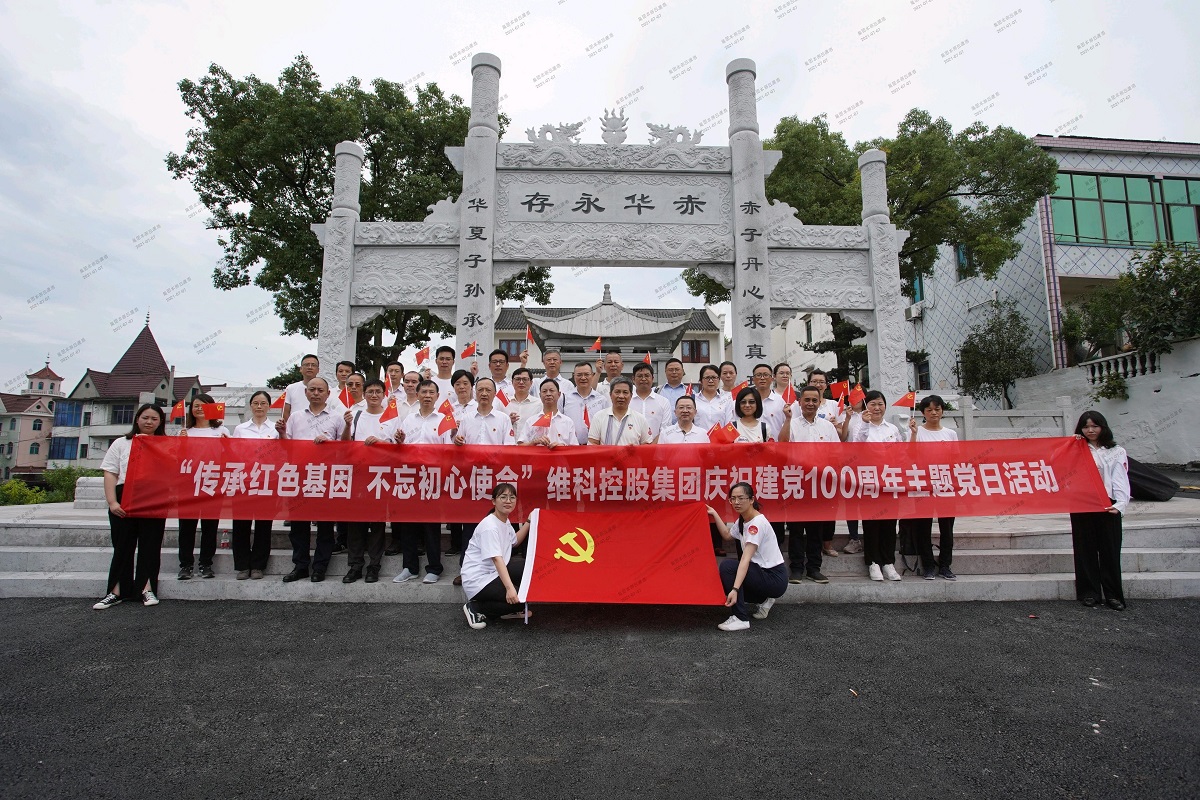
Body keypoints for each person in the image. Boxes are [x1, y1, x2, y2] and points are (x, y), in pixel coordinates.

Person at [93, 404, 169, 609]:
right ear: (137, 419)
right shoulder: (121, 443)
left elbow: (175, 469)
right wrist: (112, 502)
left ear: (160, 422)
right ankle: (116, 591)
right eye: (145, 417)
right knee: (123, 545)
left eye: (154, 418)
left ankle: (146, 588)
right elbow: (110, 472)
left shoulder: (166, 444)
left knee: (150, 545)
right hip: (124, 496)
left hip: (154, 497)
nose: (149, 422)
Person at [279, 377, 346, 583]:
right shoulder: (296, 417)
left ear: (328, 394)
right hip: (300, 475)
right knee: (299, 525)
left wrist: (330, 442)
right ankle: (300, 566)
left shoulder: (337, 418)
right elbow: (286, 446)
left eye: (320, 390)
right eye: (312, 389)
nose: (316, 393)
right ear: (306, 392)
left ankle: (320, 567)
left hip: (325, 476)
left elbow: (346, 448)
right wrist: (281, 433)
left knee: (325, 526)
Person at [452, 377, 516, 585]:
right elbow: (459, 447)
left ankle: (500, 570)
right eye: (480, 390)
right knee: (470, 525)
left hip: (495, 478)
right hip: (472, 480)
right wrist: (457, 441)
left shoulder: (503, 419)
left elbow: (510, 448)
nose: (484, 393)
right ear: (475, 392)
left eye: (488, 390)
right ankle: (466, 570)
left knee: (496, 524)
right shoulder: (466, 418)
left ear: (495, 393)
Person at [393, 379, 453, 584]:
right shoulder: (409, 419)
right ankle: (409, 567)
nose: (427, 396)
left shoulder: (444, 420)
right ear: (417, 394)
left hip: (433, 478)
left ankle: (434, 568)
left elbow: (448, 452)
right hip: (410, 477)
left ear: (437, 396)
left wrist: (443, 479)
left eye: (431, 392)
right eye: (424, 392)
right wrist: (399, 442)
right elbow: (400, 448)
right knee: (408, 525)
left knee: (431, 526)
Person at [705, 482, 788, 631]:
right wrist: (714, 513)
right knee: (727, 578)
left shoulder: (756, 524)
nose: (736, 502)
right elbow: (727, 535)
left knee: (728, 567)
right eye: (733, 499)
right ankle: (764, 599)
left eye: (741, 498)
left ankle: (741, 618)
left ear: (751, 500)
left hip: (774, 577)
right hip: (762, 573)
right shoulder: (743, 520)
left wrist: (735, 590)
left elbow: (745, 559)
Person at [1071, 411, 1130, 610]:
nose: (1090, 430)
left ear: (1103, 427)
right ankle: (1089, 593)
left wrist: (1120, 504)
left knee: (1110, 550)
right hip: (1082, 504)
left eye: (1094, 426)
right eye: (1086, 426)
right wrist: (1071, 444)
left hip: (1108, 504)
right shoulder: (1075, 448)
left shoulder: (1116, 450)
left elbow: (1120, 477)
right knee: (1084, 549)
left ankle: (1113, 595)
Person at [784, 386, 840, 586]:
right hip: (797, 483)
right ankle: (796, 568)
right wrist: (787, 420)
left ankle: (814, 568)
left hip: (819, 485)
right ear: (800, 402)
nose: (810, 403)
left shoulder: (827, 427)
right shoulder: (791, 424)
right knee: (796, 529)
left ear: (819, 402)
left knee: (816, 529)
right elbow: (782, 446)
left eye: (814, 400)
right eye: (806, 400)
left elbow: (836, 453)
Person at [341, 379, 393, 584]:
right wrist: (347, 425)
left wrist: (381, 443)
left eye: (378, 391)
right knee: (355, 523)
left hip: (380, 476)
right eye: (370, 391)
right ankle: (355, 565)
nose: (374, 395)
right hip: (358, 475)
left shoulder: (391, 417)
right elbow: (345, 444)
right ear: (364, 394)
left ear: (384, 394)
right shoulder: (355, 415)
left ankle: (374, 565)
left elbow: (397, 448)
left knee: (377, 524)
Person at [461, 483, 532, 629]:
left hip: (494, 572)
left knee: (527, 568)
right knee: (520, 599)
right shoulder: (489, 526)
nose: (508, 501)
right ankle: (477, 608)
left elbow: (514, 541)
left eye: (512, 497)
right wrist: (510, 588)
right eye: (503, 497)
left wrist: (529, 522)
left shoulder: (504, 521)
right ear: (494, 501)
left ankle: (506, 607)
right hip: (478, 579)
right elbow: (496, 559)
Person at [853, 390, 905, 582]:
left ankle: (888, 562)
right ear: (866, 406)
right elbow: (857, 447)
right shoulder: (860, 426)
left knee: (889, 524)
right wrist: (865, 424)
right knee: (871, 523)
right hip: (869, 482)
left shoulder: (892, 428)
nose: (877, 408)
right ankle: (873, 562)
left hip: (890, 481)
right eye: (873, 404)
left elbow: (900, 452)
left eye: (880, 404)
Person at [177, 393, 229, 580]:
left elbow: (229, 457)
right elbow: (176, 459)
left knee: (210, 526)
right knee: (186, 527)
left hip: (212, 483)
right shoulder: (185, 431)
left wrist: (227, 445)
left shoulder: (221, 430)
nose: (199, 409)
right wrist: (180, 444)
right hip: (188, 484)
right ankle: (186, 565)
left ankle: (206, 563)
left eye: (204, 405)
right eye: (196, 406)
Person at [907, 394, 959, 580]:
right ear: (923, 413)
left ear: (942, 411)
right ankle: (928, 566)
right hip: (923, 485)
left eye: (937, 409)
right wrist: (913, 434)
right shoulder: (916, 432)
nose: (934, 413)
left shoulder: (950, 434)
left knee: (947, 528)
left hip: (945, 485)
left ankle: (945, 565)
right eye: (929, 410)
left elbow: (955, 460)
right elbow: (910, 456)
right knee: (923, 527)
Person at [230, 391, 277, 580]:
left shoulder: (275, 429)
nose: (259, 406)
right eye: (256, 403)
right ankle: (242, 565)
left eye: (263, 403)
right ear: (250, 405)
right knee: (241, 524)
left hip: (267, 481)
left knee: (264, 525)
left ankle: (258, 565)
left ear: (269, 406)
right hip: (244, 480)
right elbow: (234, 453)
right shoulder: (240, 429)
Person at [587, 378, 653, 445]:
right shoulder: (599, 417)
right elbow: (592, 443)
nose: (621, 396)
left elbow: (647, 445)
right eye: (617, 392)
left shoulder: (640, 419)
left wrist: (635, 449)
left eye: (625, 392)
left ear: (631, 395)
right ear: (610, 394)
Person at [517, 379, 577, 447]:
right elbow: (520, 445)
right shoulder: (531, 421)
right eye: (544, 391)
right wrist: (533, 442)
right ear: (540, 395)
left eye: (551, 390)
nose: (548, 394)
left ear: (559, 394)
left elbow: (575, 448)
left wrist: (562, 446)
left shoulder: (568, 422)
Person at [562, 361, 610, 445]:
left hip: (594, 448)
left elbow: (607, 425)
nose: (583, 378)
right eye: (579, 375)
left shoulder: (602, 400)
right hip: (570, 447)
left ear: (592, 375)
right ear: (574, 376)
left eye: (587, 374)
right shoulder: (564, 398)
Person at [629, 362, 671, 439]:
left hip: (656, 445)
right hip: (630, 445)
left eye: (647, 376)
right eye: (640, 376)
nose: (643, 379)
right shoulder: (627, 401)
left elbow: (665, 430)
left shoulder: (664, 402)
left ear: (652, 378)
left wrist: (652, 445)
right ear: (633, 379)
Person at [693, 364, 734, 431]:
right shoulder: (693, 400)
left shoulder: (726, 400)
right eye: (707, 378)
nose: (711, 381)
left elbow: (729, 424)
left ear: (719, 380)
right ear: (701, 381)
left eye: (714, 377)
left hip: (720, 437)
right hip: (698, 437)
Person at [505, 367, 542, 433]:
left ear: (531, 382)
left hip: (531, 439)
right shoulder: (504, 402)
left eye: (525, 379)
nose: (521, 382)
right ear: (512, 382)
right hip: (509, 439)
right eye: (518, 379)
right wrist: (508, 421)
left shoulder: (539, 404)